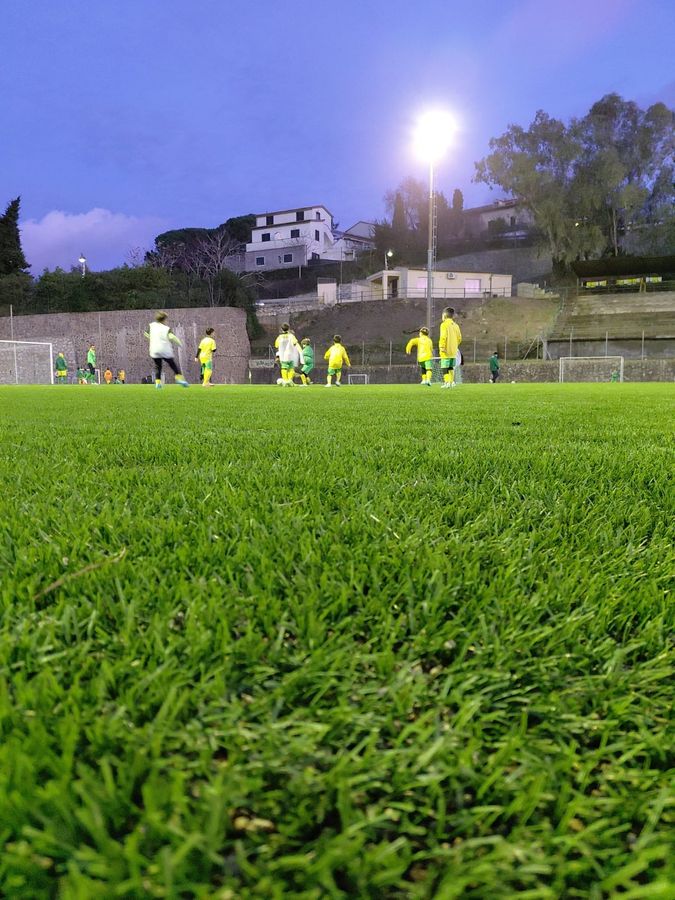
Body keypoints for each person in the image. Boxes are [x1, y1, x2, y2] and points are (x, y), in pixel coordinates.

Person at [144, 312, 189, 389]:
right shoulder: (166, 328)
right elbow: (172, 337)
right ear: (164, 319)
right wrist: (180, 344)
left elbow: (146, 334)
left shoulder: (151, 325)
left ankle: (158, 383)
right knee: (172, 364)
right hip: (164, 349)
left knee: (158, 366)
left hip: (154, 350)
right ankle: (179, 378)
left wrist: (152, 339)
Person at [439, 307, 462, 389]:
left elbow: (443, 336)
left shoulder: (444, 324)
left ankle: (447, 382)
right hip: (454, 350)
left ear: (444, 315)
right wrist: (454, 345)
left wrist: (442, 347)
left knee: (444, 366)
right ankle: (451, 382)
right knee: (451, 367)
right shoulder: (456, 325)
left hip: (446, 349)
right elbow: (459, 338)